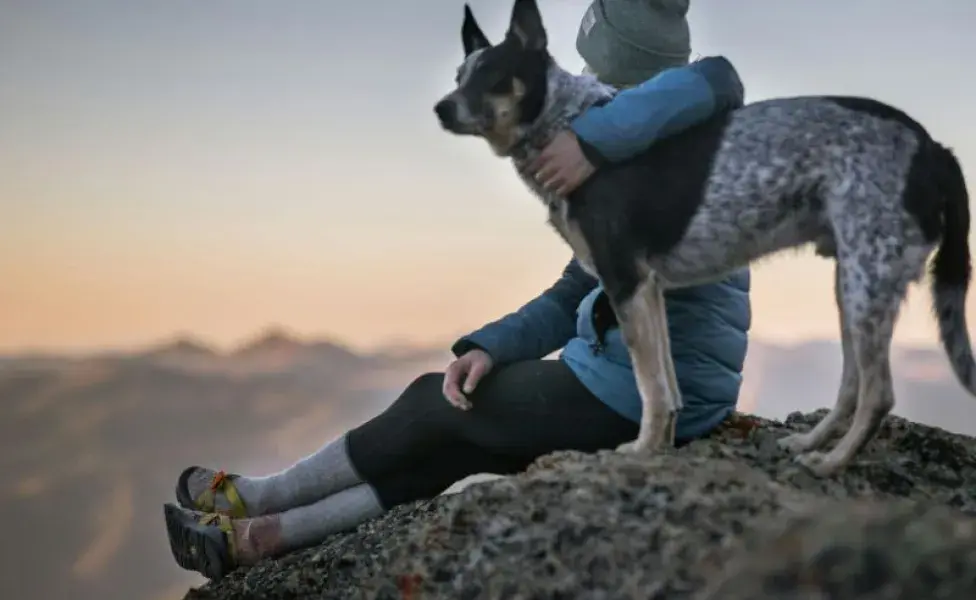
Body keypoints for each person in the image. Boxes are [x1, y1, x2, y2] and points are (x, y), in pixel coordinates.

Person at [164, 0, 751, 581]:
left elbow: (721, 80)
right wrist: (492, 346)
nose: (582, 80)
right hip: (633, 376)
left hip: (654, 393)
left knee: (433, 404)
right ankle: (257, 541)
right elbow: (579, 285)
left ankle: (262, 498)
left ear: (624, 70)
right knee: (453, 446)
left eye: (594, 67)